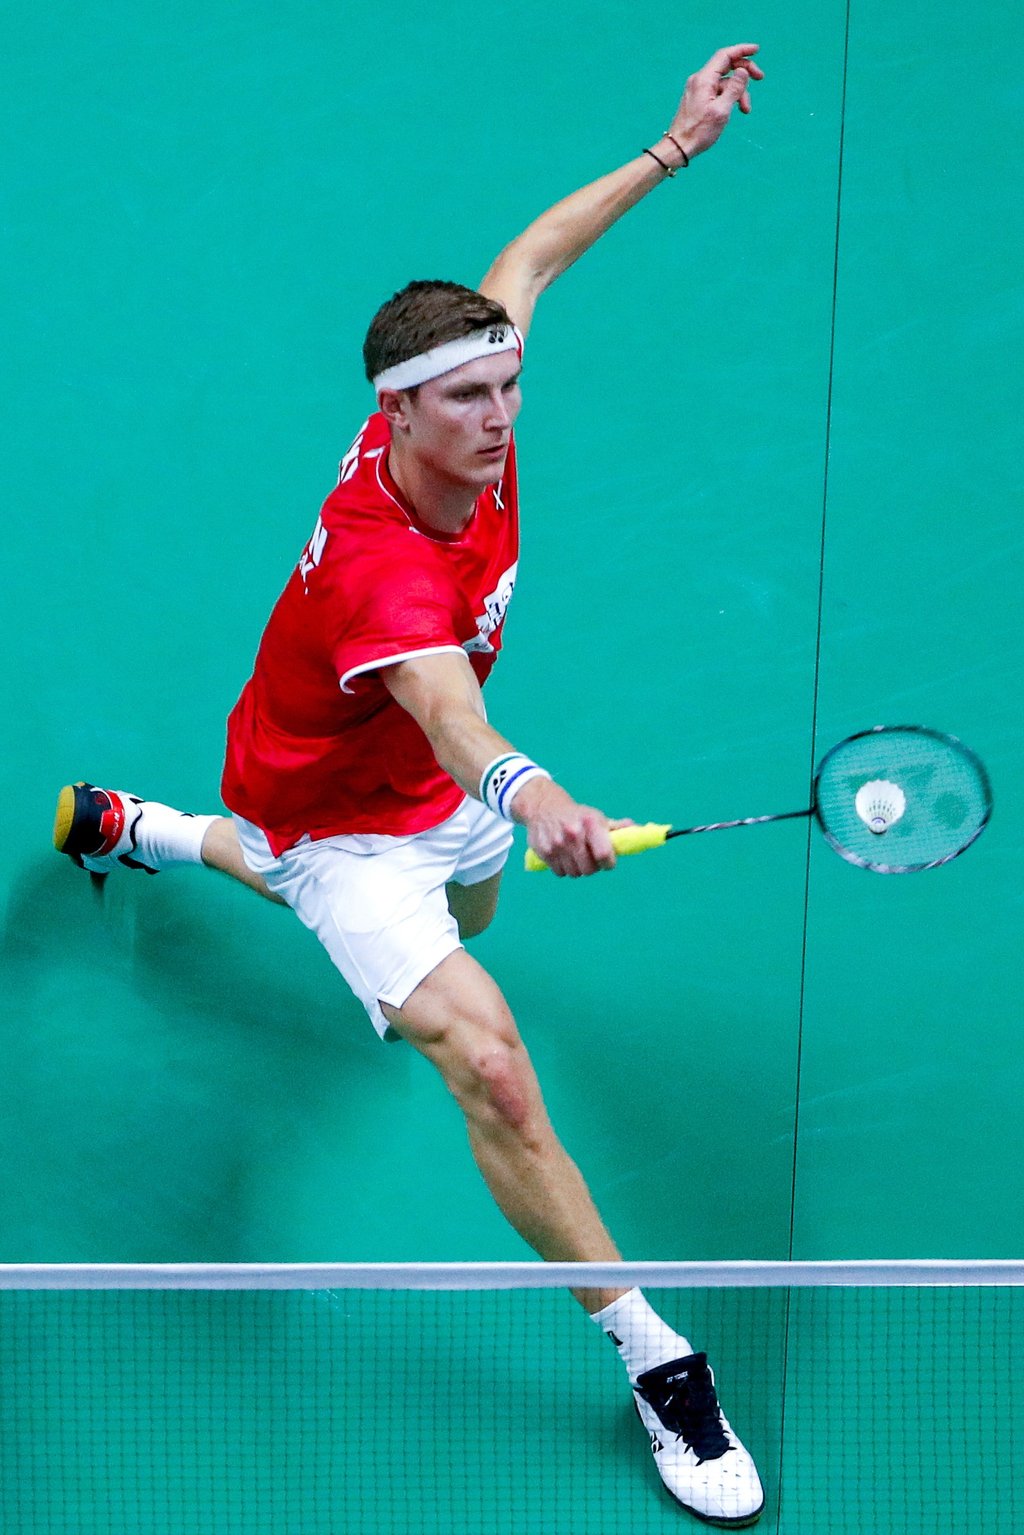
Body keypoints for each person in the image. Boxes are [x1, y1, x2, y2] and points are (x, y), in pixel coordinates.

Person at [54, 44, 766, 1528]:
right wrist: (536, 792)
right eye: (471, 401)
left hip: (423, 802)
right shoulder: (383, 571)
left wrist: (676, 144)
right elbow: (448, 712)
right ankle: (656, 1355)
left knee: (480, 926)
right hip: (347, 816)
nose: (502, 418)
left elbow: (529, 258)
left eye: (509, 387)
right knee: (493, 1066)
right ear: (398, 412)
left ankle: (165, 834)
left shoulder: (467, 414)